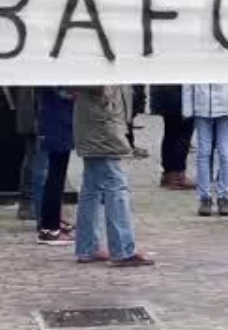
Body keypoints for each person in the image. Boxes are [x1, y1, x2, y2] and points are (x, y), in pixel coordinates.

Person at [71, 85, 153, 267]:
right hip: (103, 126)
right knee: (115, 185)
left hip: (96, 123)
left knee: (92, 188)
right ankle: (122, 249)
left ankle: (87, 246)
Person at [183, 83, 228, 217]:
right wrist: (188, 107)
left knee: (225, 154)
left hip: (225, 109)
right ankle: (204, 198)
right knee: (203, 153)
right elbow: (188, 81)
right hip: (201, 107)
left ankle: (224, 197)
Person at [35, 87, 75, 245]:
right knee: (55, 176)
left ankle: (50, 225)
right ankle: (50, 228)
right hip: (58, 123)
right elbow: (65, 93)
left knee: (55, 175)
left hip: (56, 121)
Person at [149, 84, 194, 190]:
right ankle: (177, 176)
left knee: (170, 133)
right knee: (182, 135)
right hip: (179, 96)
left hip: (163, 93)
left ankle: (168, 173)